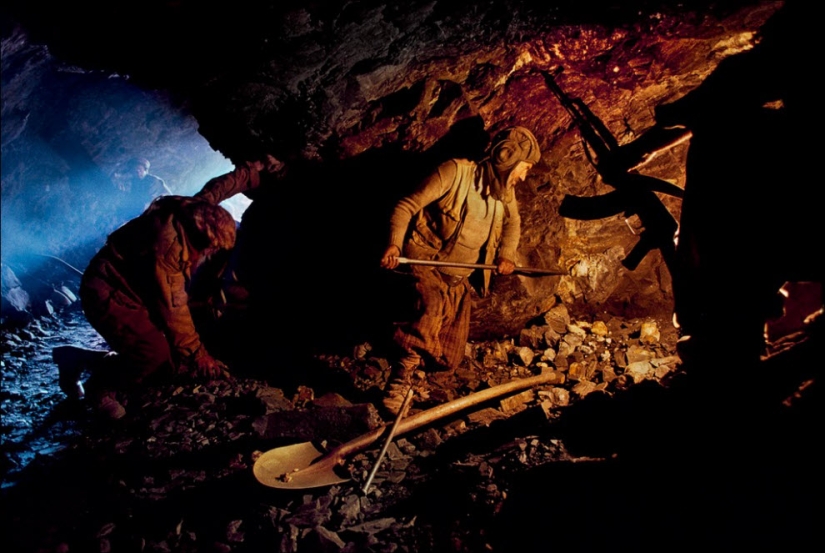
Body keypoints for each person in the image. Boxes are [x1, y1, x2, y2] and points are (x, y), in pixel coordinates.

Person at [378, 125, 541, 415]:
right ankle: (399, 380)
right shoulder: (455, 172)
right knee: (429, 307)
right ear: (507, 158)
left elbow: (513, 224)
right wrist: (394, 245)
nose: (524, 176)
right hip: (426, 262)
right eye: (525, 168)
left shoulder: (504, 193)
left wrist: (506, 254)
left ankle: (417, 379)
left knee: (450, 354)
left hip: (458, 277)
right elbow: (406, 205)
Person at [53, 195, 236, 419]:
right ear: (201, 233)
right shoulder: (168, 246)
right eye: (209, 248)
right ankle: (100, 389)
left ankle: (76, 358)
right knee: (153, 357)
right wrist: (199, 355)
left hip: (134, 291)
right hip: (108, 293)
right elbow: (173, 309)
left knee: (168, 362)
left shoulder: (187, 216)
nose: (210, 253)